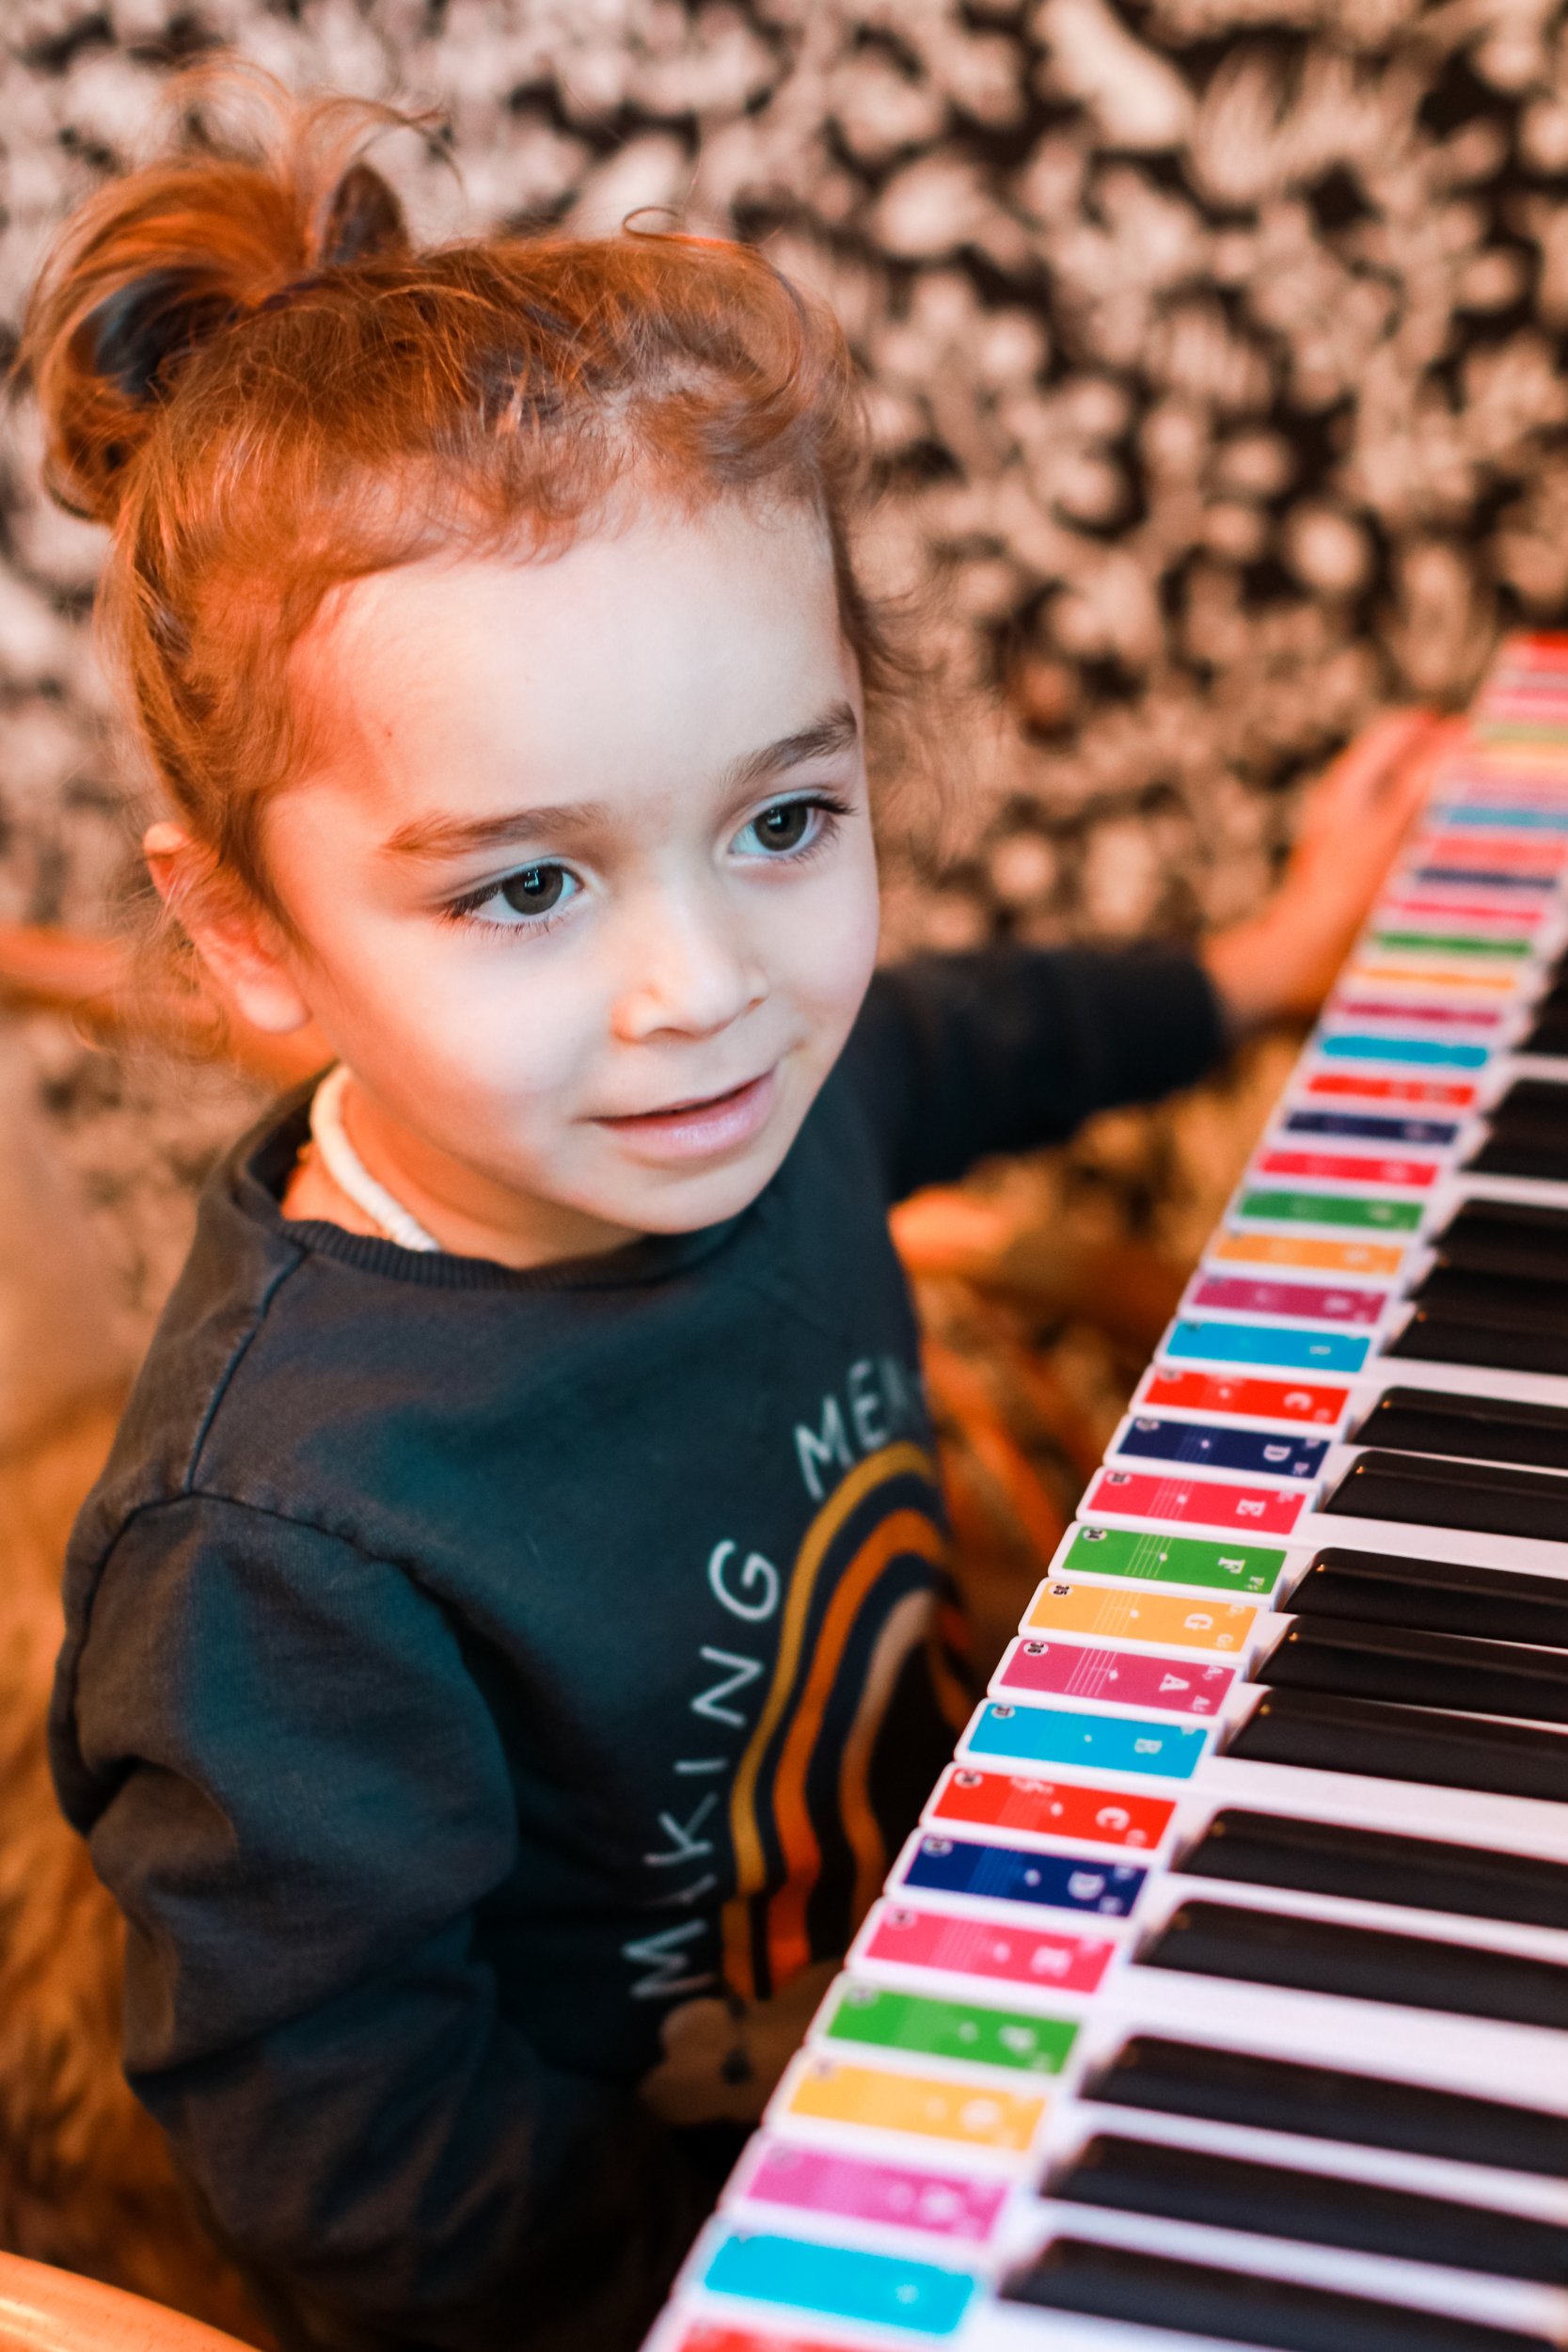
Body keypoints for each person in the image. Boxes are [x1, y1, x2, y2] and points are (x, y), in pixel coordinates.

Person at [30, 65, 1438, 2352]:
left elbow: (964, 1035)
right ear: (252, 938)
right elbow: (352, 2161)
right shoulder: (280, 1557)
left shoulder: (758, 1076)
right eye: (525, 883)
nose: (707, 992)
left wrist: (1254, 970)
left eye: (783, 822)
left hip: (962, 1978)